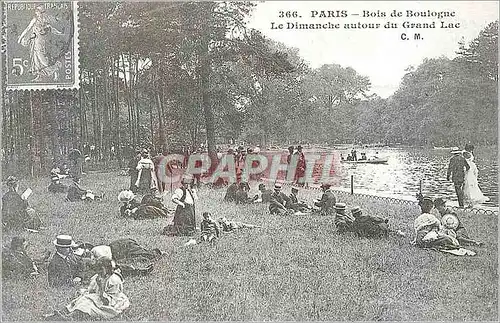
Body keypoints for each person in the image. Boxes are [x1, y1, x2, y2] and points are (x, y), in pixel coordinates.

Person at [50, 257, 130, 320]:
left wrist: (101, 287)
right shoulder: (97, 277)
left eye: (101, 269)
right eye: (97, 269)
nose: (99, 272)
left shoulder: (114, 280)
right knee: (80, 300)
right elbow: (91, 291)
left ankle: (69, 317)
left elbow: (107, 302)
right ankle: (58, 314)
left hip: (111, 303)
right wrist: (86, 292)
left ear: (108, 268)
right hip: (97, 298)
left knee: (86, 305)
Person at [17, 4, 63, 82]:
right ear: (36, 12)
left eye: (42, 11)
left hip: (43, 42)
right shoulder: (35, 20)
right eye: (39, 11)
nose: (40, 13)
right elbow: (28, 28)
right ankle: (39, 76)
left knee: (43, 60)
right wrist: (21, 38)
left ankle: (55, 68)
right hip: (35, 41)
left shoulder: (45, 20)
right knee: (36, 60)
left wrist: (59, 33)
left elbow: (51, 29)